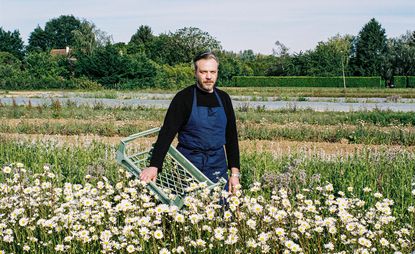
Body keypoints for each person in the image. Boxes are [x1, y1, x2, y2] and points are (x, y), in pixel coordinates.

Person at [139, 51, 240, 193]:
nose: (209, 77)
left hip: (217, 163)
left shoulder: (224, 98)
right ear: (195, 72)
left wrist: (235, 174)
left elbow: (231, 137)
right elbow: (167, 133)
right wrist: (154, 165)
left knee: (220, 208)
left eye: (213, 72)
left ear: (217, 72)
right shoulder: (183, 98)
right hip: (188, 163)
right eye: (203, 72)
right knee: (187, 207)